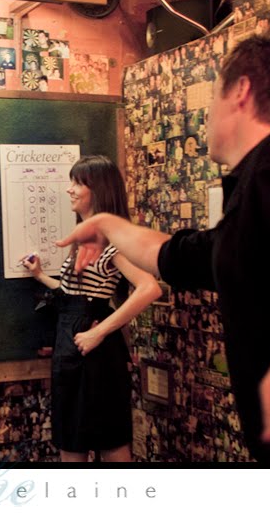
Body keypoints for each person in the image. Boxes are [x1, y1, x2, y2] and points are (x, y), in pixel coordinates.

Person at [57, 32, 270, 463]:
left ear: (241, 91)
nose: (207, 115)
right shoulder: (253, 202)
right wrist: (106, 224)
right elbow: (170, 254)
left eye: (213, 96)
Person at [21, 155, 161, 462]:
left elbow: (150, 288)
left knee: (108, 440)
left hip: (95, 352)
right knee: (71, 438)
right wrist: (41, 275)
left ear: (97, 189)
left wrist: (99, 332)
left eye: (77, 183)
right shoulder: (88, 237)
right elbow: (76, 295)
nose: (69, 189)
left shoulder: (111, 241)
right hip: (71, 344)